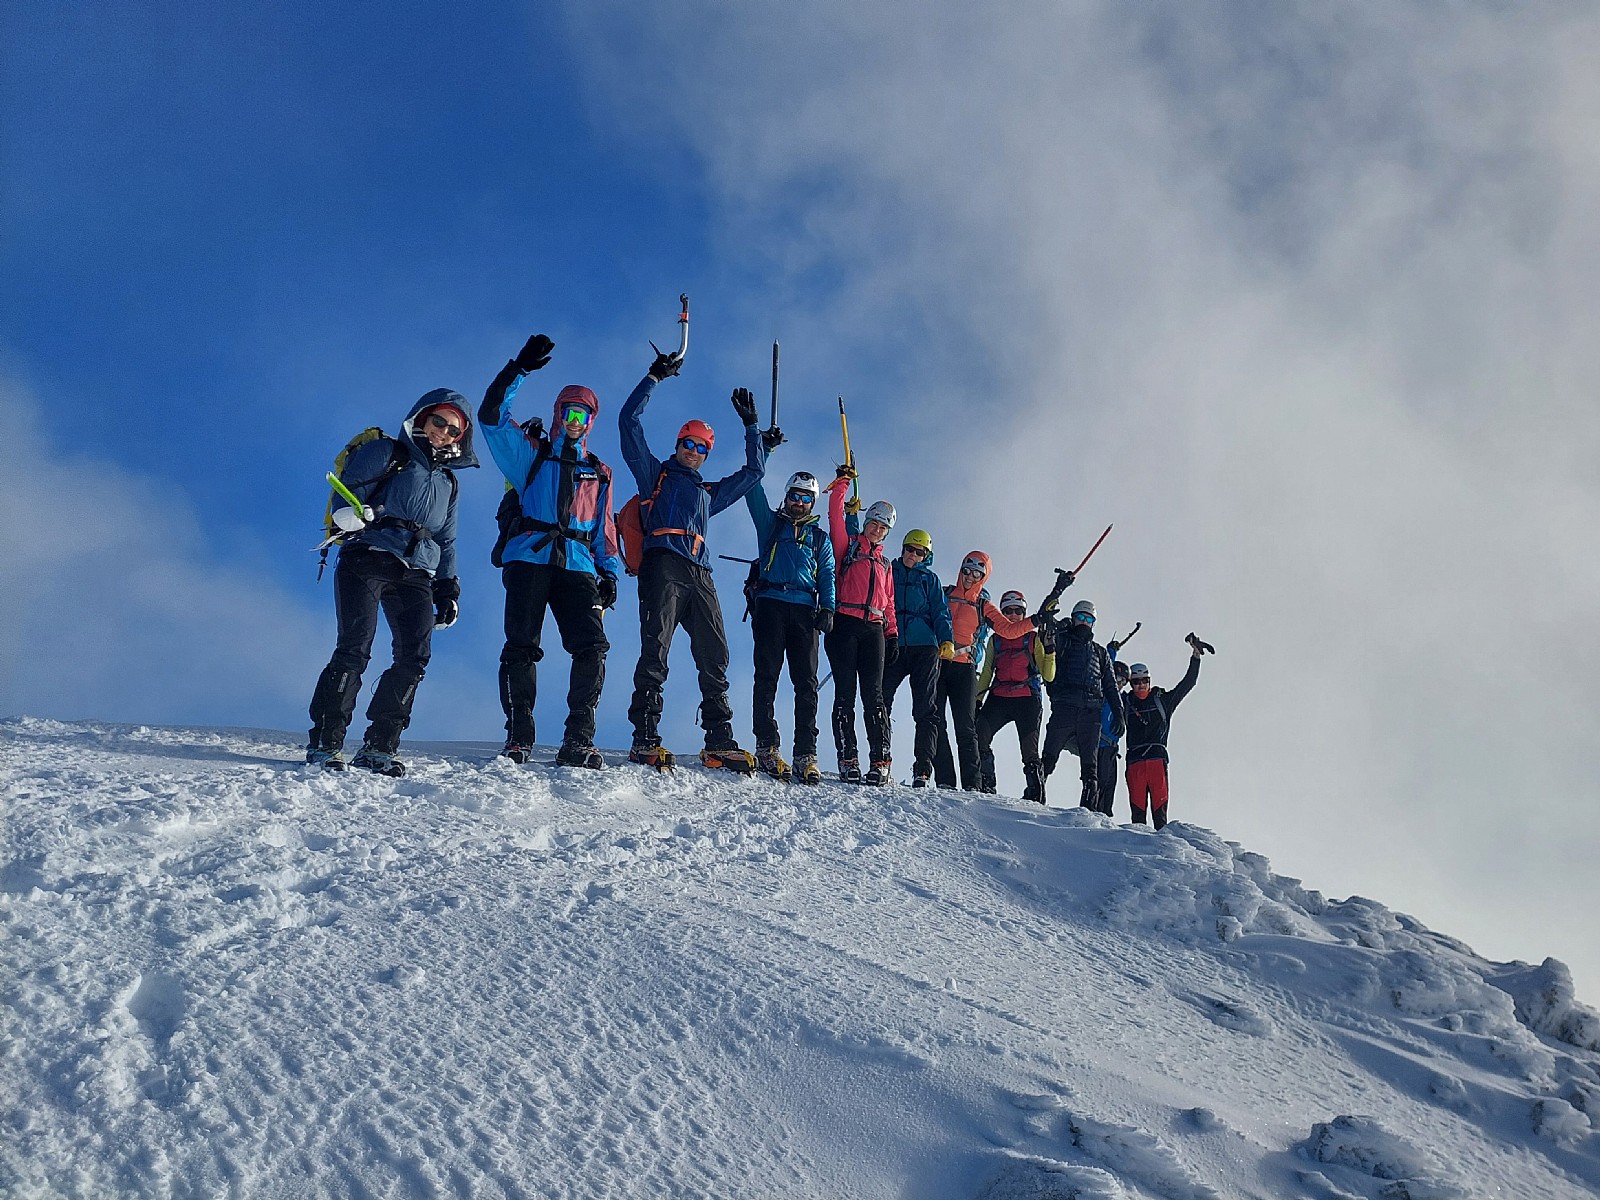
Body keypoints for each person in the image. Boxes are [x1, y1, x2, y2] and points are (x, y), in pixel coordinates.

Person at [306, 390, 478, 776]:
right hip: (368, 556)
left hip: (416, 571)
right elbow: (348, 492)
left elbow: (445, 539)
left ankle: (380, 745)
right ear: (422, 418)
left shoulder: (449, 483)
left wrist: (447, 588)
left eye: (454, 430)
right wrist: (348, 515)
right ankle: (325, 742)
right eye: (439, 421)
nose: (444, 432)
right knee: (355, 646)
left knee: (415, 656)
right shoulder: (387, 452)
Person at [478, 334, 623, 769]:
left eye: (583, 414)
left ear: (591, 421)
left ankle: (578, 739)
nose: (574, 420)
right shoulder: (531, 455)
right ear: (558, 413)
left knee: (592, 646)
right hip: (529, 558)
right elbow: (491, 418)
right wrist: (518, 369)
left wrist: (609, 573)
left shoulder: (599, 472)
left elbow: (605, 528)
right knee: (521, 645)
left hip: (577, 564)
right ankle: (519, 737)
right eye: (568, 412)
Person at [618, 350, 766, 771]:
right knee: (656, 647)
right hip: (662, 564)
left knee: (715, 653)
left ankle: (719, 739)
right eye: (689, 443)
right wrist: (653, 377)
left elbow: (753, 474)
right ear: (678, 444)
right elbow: (628, 423)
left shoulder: (707, 494)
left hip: (701, 572)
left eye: (702, 447)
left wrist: (752, 428)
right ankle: (645, 736)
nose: (694, 451)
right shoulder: (655, 475)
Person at [745, 469, 837, 784]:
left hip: (805, 610)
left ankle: (805, 754)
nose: (799, 502)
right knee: (766, 676)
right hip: (771, 603)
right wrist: (763, 452)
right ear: (786, 496)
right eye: (794, 496)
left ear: (813, 503)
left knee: (806, 683)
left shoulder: (819, 538)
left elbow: (827, 574)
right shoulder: (770, 525)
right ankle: (766, 746)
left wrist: (828, 607)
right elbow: (752, 490)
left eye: (805, 498)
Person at [934, 551, 1038, 790]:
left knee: (966, 727)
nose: (970, 577)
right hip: (938, 666)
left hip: (965, 668)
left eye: (977, 574)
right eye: (967, 571)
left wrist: (1036, 620)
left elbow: (1008, 630)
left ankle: (972, 784)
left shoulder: (983, 605)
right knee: (936, 722)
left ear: (984, 577)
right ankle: (945, 780)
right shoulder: (944, 594)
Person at [823, 469, 898, 785]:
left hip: (873, 630)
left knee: (874, 697)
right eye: (873, 524)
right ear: (866, 522)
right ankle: (847, 758)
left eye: (883, 528)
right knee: (845, 694)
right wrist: (841, 484)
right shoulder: (849, 547)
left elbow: (889, 602)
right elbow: (835, 518)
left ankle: (881, 760)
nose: (877, 530)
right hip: (844, 624)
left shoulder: (885, 564)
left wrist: (892, 634)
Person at [882, 529, 954, 787]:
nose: (912, 555)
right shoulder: (889, 571)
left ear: (926, 556)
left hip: (925, 647)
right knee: (881, 700)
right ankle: (881, 758)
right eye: (909, 549)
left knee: (925, 707)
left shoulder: (929, 579)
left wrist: (946, 639)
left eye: (919, 552)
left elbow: (940, 611)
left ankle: (922, 768)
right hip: (894, 644)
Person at [1040, 598, 1123, 808]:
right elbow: (1045, 631)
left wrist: (1119, 712)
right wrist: (1058, 623)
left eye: (1089, 619)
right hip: (1065, 706)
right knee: (1049, 754)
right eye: (1080, 617)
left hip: (1091, 711)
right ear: (1073, 618)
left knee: (1090, 764)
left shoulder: (1100, 652)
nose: (1084, 622)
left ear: (1093, 623)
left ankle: (1088, 807)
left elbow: (1111, 685)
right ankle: (1035, 794)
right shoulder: (1063, 641)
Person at [974, 590, 1055, 803]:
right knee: (979, 735)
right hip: (999, 697)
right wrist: (977, 700)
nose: (1013, 615)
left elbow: (1048, 675)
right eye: (1008, 611)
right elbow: (987, 672)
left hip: (1027, 698)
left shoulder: (1033, 638)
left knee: (1029, 751)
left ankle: (1036, 796)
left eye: (1018, 611)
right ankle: (987, 785)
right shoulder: (995, 640)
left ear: (1024, 613)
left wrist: (1050, 651)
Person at [1122, 644, 1203, 829]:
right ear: (1130, 683)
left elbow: (1187, 684)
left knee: (1160, 818)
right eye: (1136, 681)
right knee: (1138, 819)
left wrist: (1196, 656)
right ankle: (1137, 847)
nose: (1141, 685)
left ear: (1150, 681)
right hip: (1135, 763)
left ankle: (1162, 847)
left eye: (1145, 680)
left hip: (1156, 762)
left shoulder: (1162, 701)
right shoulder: (1124, 702)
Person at [1093, 656, 1131, 815]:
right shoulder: (1101, 693)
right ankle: (1091, 814)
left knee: (1109, 787)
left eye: (1124, 681)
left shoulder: (1123, 700)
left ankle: (1105, 817)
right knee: (1098, 784)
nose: (1120, 684)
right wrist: (1112, 652)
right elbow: (1103, 664)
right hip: (1099, 746)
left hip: (1112, 750)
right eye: (1117, 679)